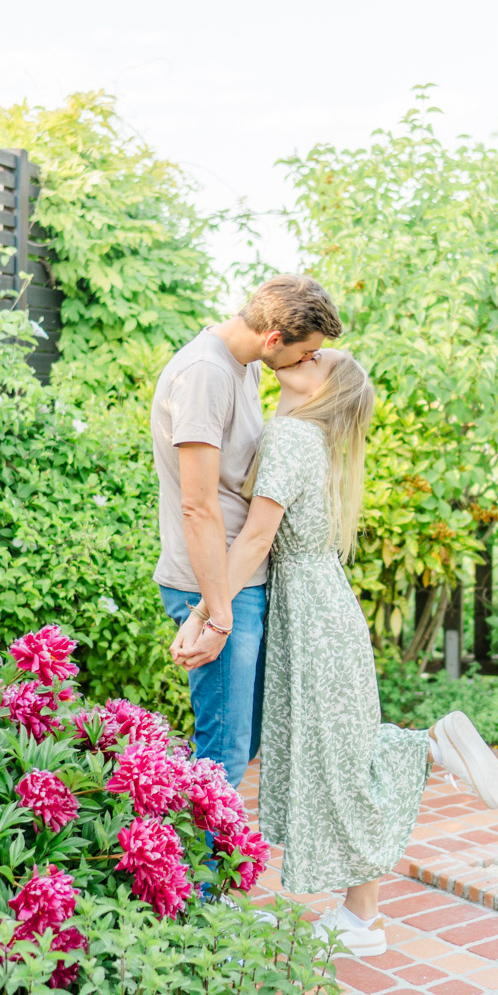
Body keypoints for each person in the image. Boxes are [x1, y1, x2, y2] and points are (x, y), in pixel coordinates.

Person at [177, 348, 498, 957]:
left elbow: (255, 536)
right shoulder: (322, 442)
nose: (304, 355)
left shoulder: (290, 434)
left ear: (324, 387)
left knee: (337, 758)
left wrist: (206, 610)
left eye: (316, 357)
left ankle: (427, 749)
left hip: (311, 618)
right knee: (344, 755)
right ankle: (362, 919)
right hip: (331, 608)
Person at [152, 275, 342, 791]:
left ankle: (193, 868)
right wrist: (215, 615)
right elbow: (198, 505)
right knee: (222, 756)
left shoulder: (242, 367)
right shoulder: (206, 374)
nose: (308, 365)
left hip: (235, 584)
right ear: (274, 339)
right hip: (213, 584)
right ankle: (195, 873)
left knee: (240, 745)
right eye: (306, 355)